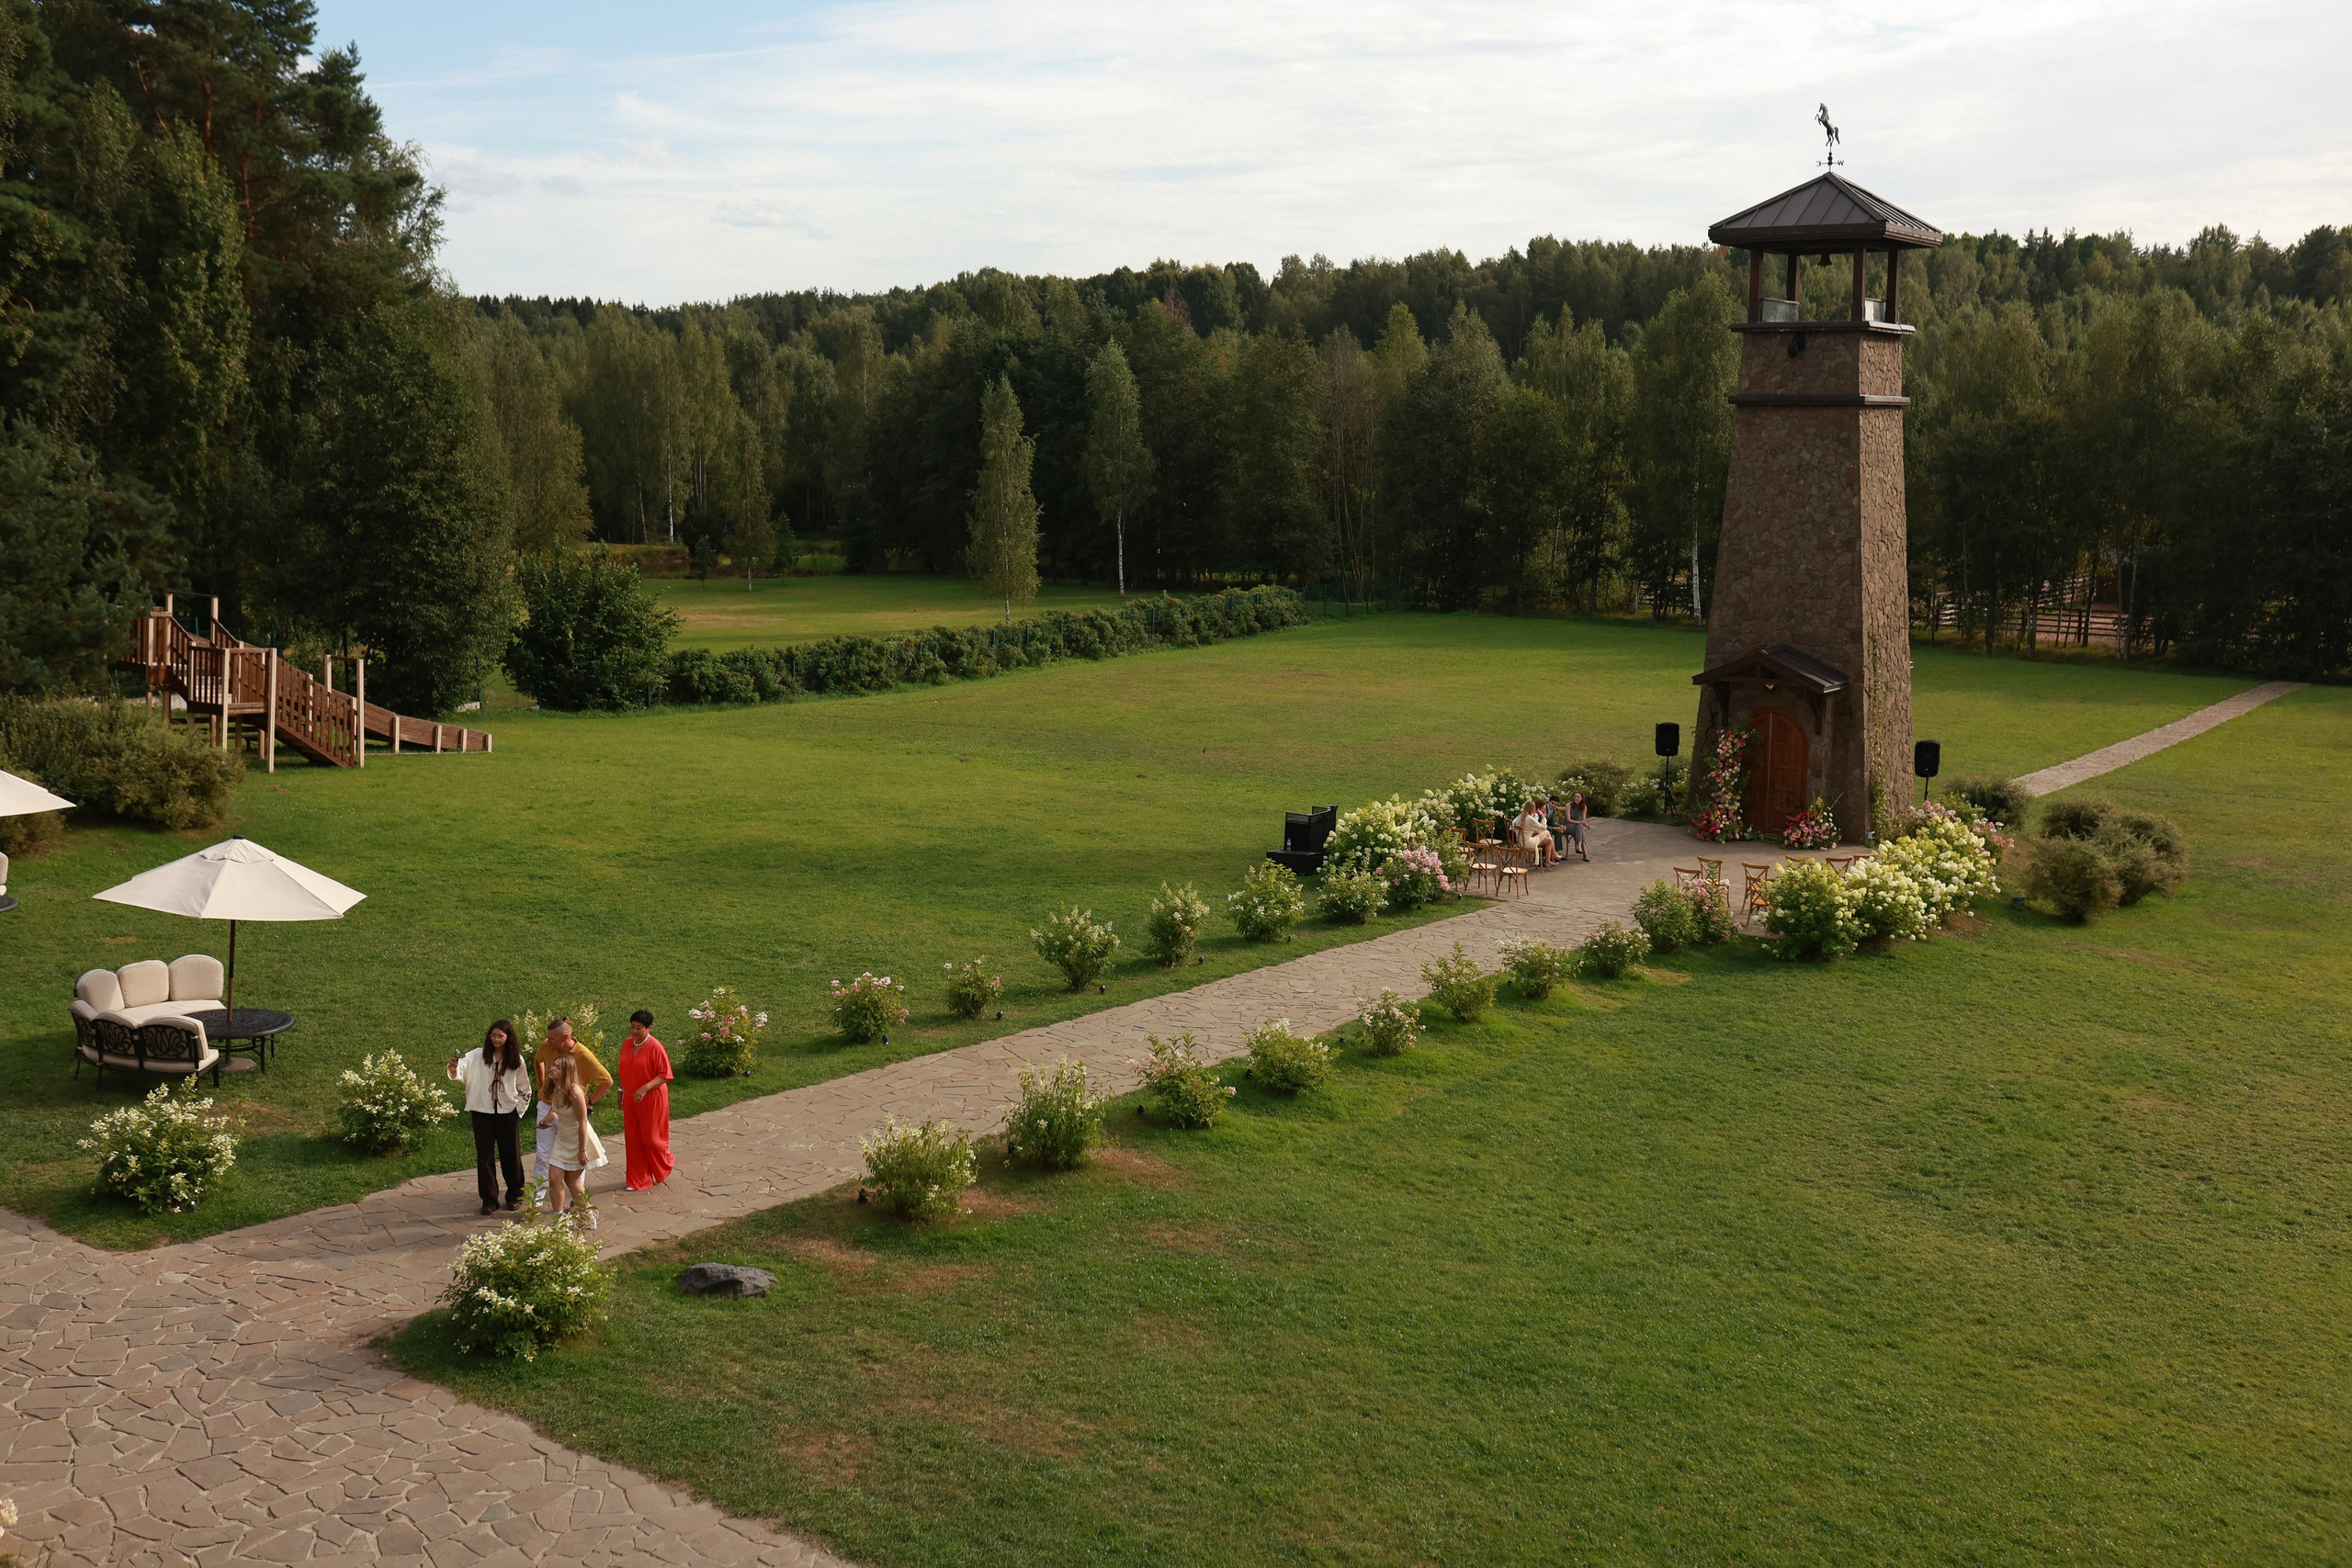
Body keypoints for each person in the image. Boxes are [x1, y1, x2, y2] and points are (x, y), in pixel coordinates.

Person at [447, 1020, 532, 1215]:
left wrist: (518, 1110)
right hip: (482, 1112)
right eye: (493, 1035)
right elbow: (461, 1068)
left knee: (511, 1154)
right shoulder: (477, 1055)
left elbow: (524, 1087)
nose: (495, 1039)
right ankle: (489, 1199)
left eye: (500, 1036)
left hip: (507, 1113)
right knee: (484, 1156)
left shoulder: (516, 1060)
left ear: (508, 1038)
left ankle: (514, 1195)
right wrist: (454, 1068)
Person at [531, 1017, 612, 1201]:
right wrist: (543, 1084)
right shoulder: (547, 1046)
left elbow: (607, 1081)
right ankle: (536, 1200)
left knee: (576, 1162)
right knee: (543, 1155)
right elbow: (538, 1060)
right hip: (548, 1106)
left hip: (571, 1111)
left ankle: (577, 1203)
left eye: (552, 1038)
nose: (547, 1041)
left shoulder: (584, 1055)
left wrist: (590, 1102)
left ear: (565, 1037)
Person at [537, 1053, 607, 1224]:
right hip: (563, 1137)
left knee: (572, 1180)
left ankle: (588, 1216)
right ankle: (559, 1219)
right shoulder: (553, 1087)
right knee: (553, 1178)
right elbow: (557, 1110)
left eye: (558, 1067)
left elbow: (582, 1122)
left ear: (567, 1072)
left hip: (578, 1138)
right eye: (553, 1065)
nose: (552, 1068)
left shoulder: (575, 1092)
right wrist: (548, 1118)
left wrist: (582, 1150)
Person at [617, 1009, 674, 1190]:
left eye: (639, 1028)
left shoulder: (655, 1047)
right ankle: (638, 1179)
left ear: (649, 1028)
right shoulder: (627, 1044)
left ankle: (665, 1162)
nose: (634, 1031)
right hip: (630, 1097)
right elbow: (625, 1070)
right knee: (633, 1139)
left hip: (652, 1098)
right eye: (632, 1027)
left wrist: (645, 1088)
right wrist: (621, 1091)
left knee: (651, 1138)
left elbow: (664, 1075)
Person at [1514, 800, 1558, 865]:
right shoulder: (1530, 819)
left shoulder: (1521, 816)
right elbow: (1543, 827)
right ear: (1533, 809)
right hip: (1527, 843)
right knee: (1546, 832)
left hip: (1520, 842)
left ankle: (1548, 861)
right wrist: (1543, 816)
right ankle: (1553, 853)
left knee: (1549, 840)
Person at [1563, 791, 1591, 862]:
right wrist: (1579, 822)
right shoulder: (1568, 805)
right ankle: (1584, 854)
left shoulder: (1584, 807)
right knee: (1579, 827)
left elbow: (1583, 820)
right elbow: (1568, 819)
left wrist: (1587, 825)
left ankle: (1579, 848)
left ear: (1581, 798)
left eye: (1578, 797)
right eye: (1575, 796)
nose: (1576, 798)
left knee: (1580, 827)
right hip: (1567, 825)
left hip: (1576, 826)